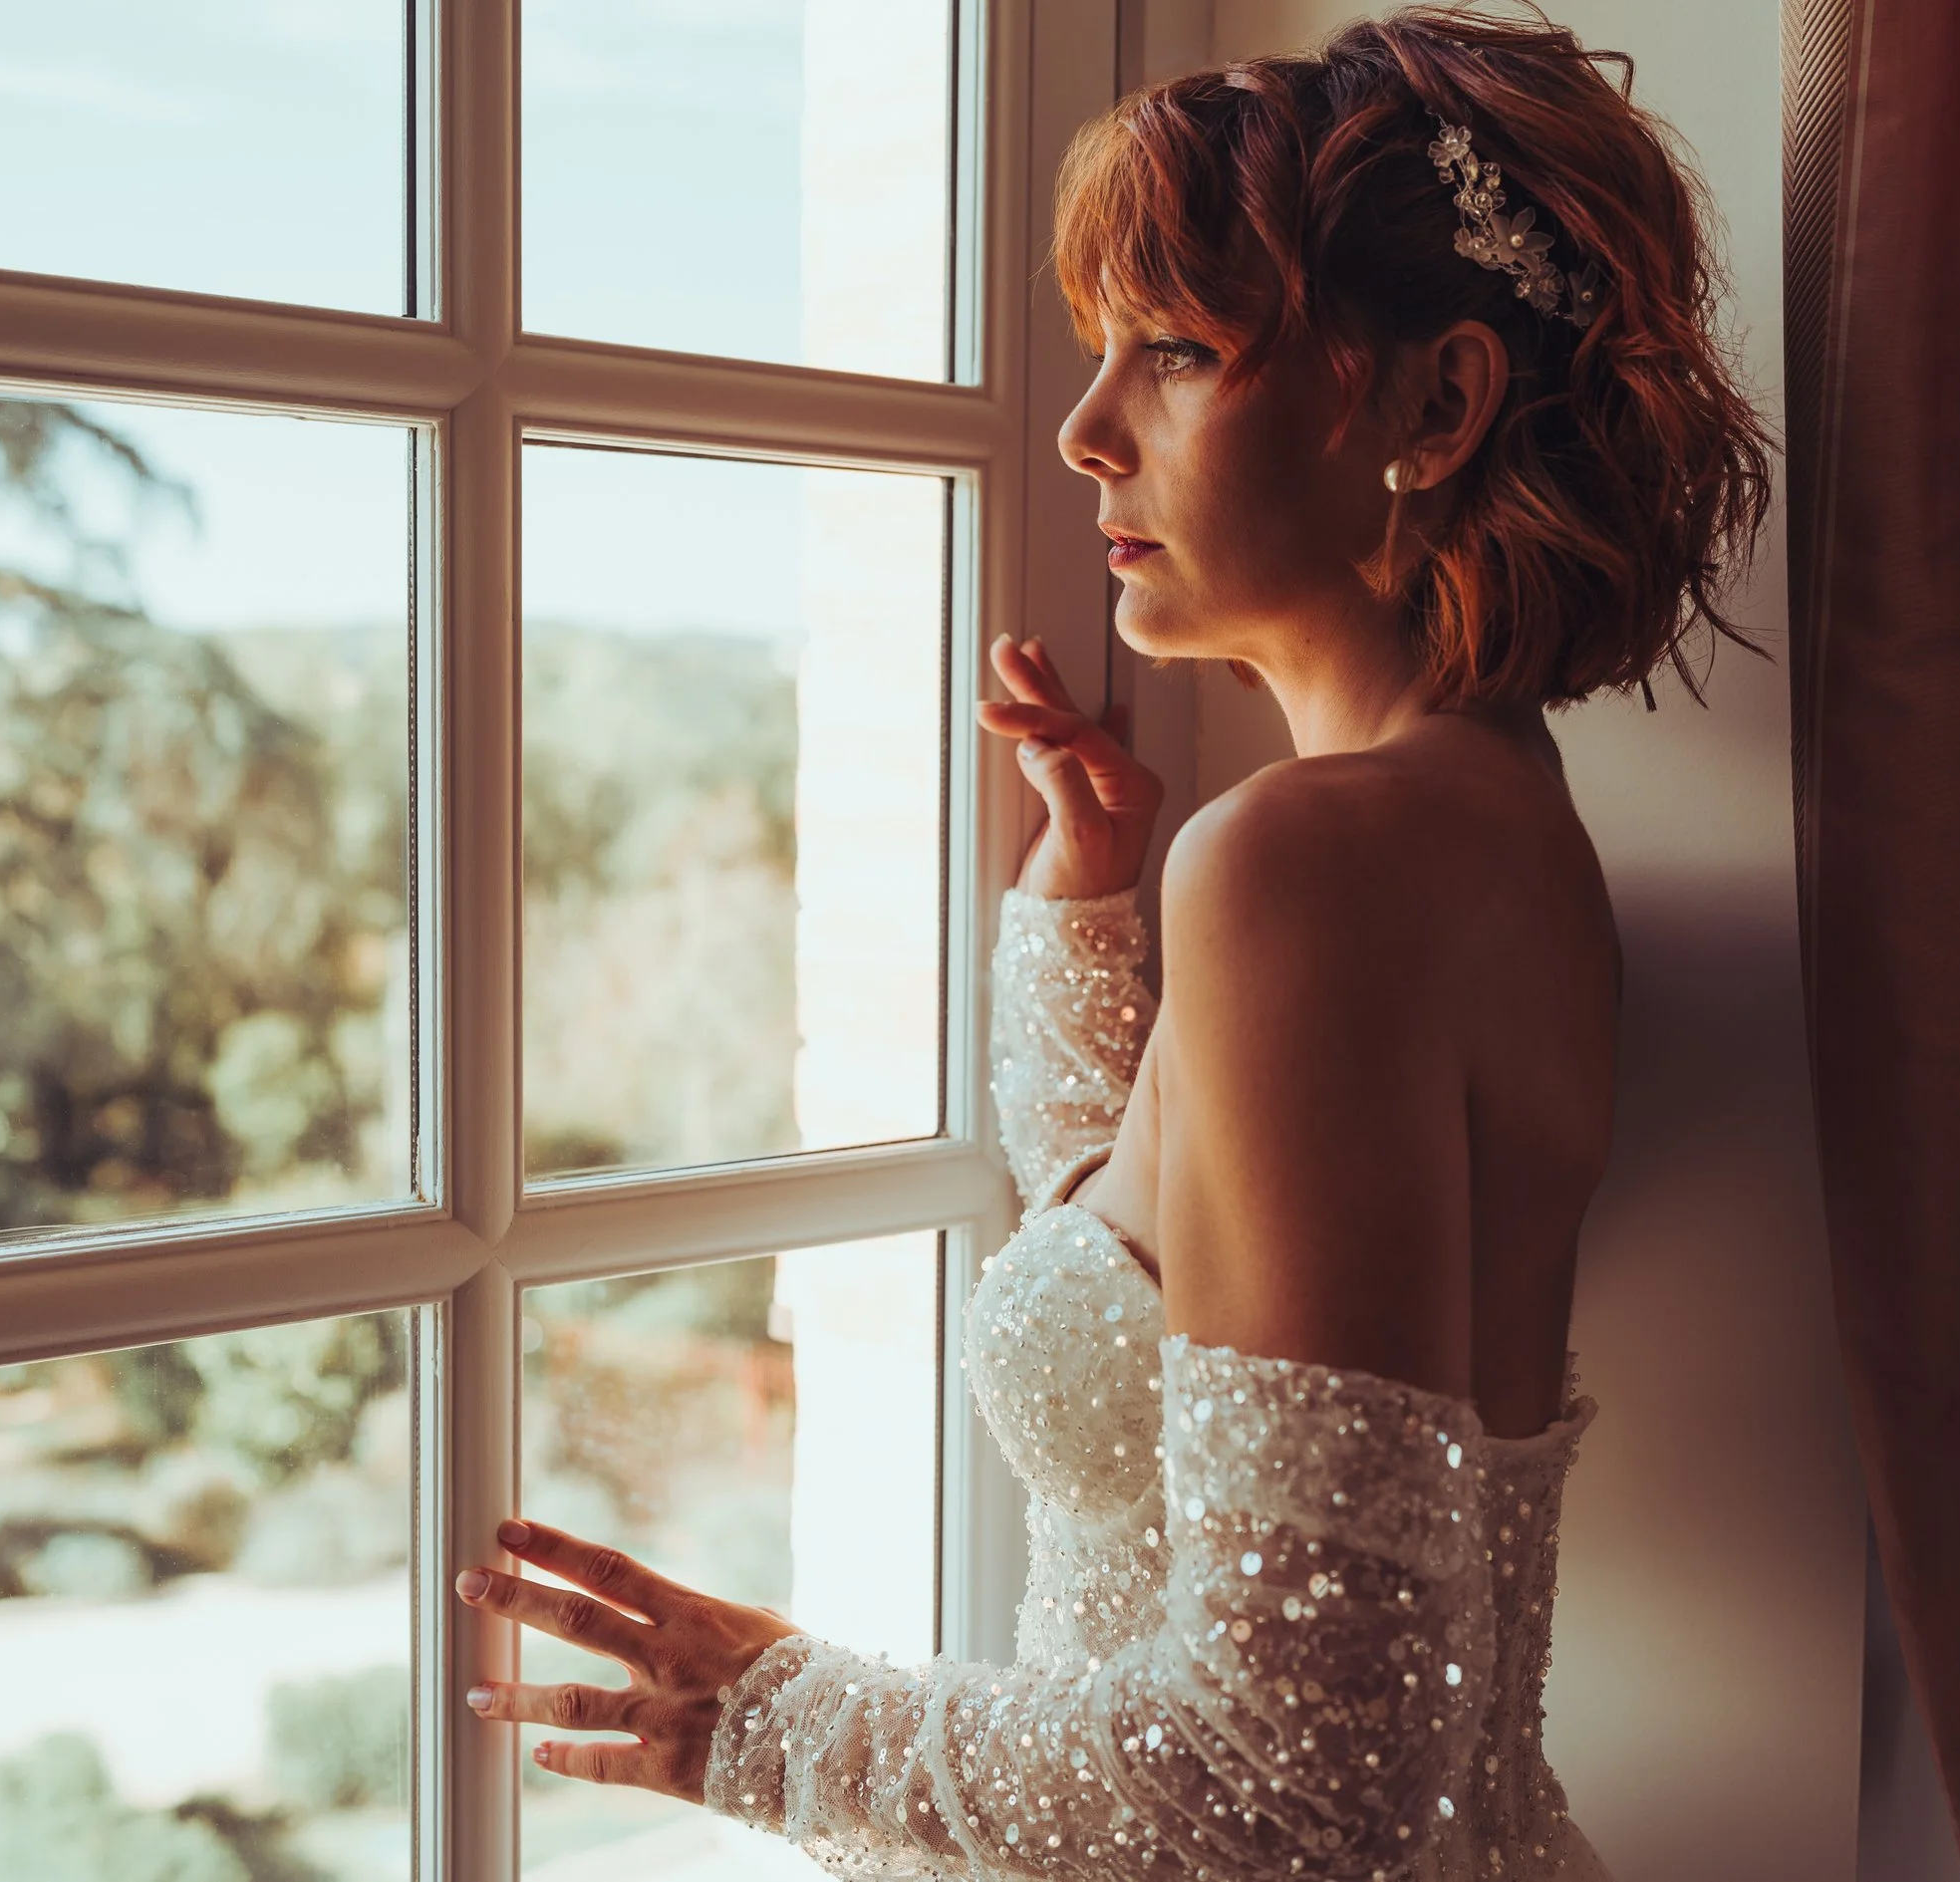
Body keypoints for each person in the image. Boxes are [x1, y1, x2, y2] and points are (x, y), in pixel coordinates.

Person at [452, 10, 1771, 1876]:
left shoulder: (1313, 860)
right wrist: (1084, 908)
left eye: (1172, 353)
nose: (1083, 434)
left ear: (1434, 406)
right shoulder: (1493, 828)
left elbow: (1306, 1784)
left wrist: (757, 1716)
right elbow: (1166, 1259)